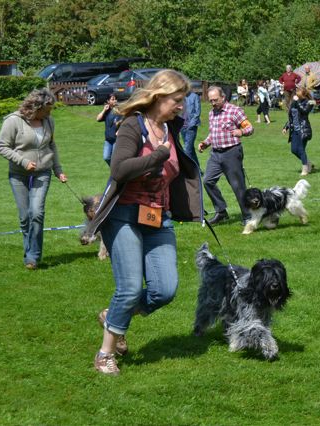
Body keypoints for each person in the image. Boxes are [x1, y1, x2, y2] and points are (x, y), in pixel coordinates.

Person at [86, 69, 203, 375]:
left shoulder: (172, 129)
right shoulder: (131, 126)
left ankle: (113, 315)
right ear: (159, 95)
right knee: (128, 287)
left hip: (158, 217)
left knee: (165, 289)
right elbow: (120, 169)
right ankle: (105, 354)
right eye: (177, 100)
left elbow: (180, 171)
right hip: (124, 214)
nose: (182, 106)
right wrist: (158, 156)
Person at [0, 88, 67, 270]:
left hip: (43, 172)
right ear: (36, 106)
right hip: (18, 174)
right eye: (48, 109)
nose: (50, 112)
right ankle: (29, 252)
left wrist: (58, 170)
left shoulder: (49, 121)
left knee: (37, 213)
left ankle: (33, 257)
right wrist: (23, 161)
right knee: (25, 216)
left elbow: (52, 145)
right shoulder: (13, 121)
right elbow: (1, 146)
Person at [198, 86, 254, 225]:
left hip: (231, 152)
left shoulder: (234, 111)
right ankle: (221, 211)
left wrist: (241, 132)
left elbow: (249, 127)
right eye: (211, 100)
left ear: (223, 97)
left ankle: (248, 216)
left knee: (237, 185)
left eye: (215, 100)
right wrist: (206, 143)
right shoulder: (212, 113)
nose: (213, 103)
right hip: (215, 154)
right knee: (207, 181)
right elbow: (214, 133)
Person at [283, 87, 314, 176]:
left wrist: (296, 102)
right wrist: (286, 127)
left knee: (300, 149)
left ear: (303, 93)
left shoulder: (309, 102)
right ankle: (308, 163)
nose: (296, 93)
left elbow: (304, 111)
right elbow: (291, 117)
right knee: (293, 150)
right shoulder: (294, 102)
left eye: (298, 92)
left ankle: (305, 169)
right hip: (294, 131)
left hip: (303, 130)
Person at [96, 93, 122, 165]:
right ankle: (115, 170)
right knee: (106, 157)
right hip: (108, 140)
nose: (115, 101)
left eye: (115, 99)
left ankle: (115, 171)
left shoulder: (119, 111)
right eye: (112, 99)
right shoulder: (107, 111)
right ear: (108, 101)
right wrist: (104, 110)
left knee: (114, 158)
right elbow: (98, 119)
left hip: (116, 139)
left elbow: (123, 122)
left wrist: (119, 129)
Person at [181, 90, 201, 167]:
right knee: (190, 149)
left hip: (191, 127)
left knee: (187, 150)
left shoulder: (195, 96)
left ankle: (188, 171)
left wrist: (191, 125)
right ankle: (198, 169)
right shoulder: (180, 97)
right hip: (182, 127)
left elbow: (197, 112)